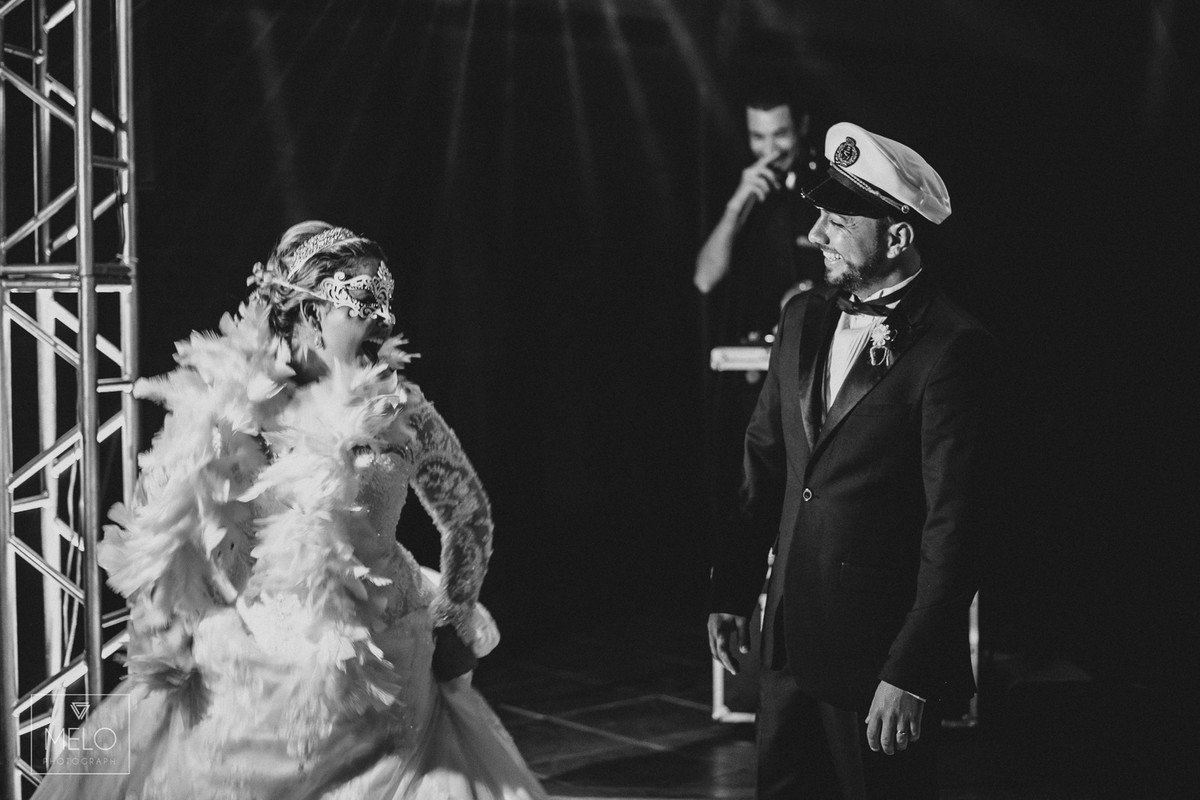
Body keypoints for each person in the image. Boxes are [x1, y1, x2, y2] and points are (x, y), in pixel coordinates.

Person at [32, 222, 548, 799]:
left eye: (385, 300)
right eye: (361, 301)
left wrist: (455, 615)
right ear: (305, 310)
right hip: (259, 674)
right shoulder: (237, 407)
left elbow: (469, 515)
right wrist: (167, 627)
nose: (382, 319)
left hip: (391, 675)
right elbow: (169, 526)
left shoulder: (402, 408)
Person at [707, 123, 1000, 799]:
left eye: (838, 222)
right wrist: (731, 589)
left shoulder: (955, 348)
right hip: (787, 644)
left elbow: (957, 525)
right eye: (818, 217)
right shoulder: (803, 316)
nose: (816, 235)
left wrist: (912, 670)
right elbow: (764, 464)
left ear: (898, 236)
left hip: (877, 665)